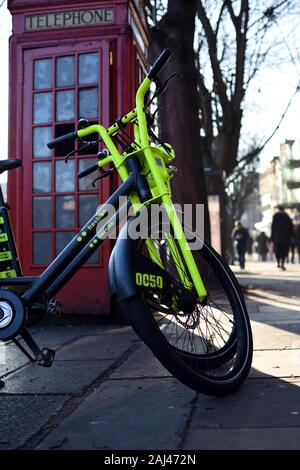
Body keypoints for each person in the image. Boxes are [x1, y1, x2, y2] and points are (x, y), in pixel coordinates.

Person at [271, 205, 294, 270]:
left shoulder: (275, 216)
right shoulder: (287, 216)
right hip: (285, 238)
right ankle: (282, 264)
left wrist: (272, 237)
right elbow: (291, 227)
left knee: (277, 251)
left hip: (277, 238)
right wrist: (292, 236)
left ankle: (278, 263)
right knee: (284, 251)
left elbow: (273, 227)